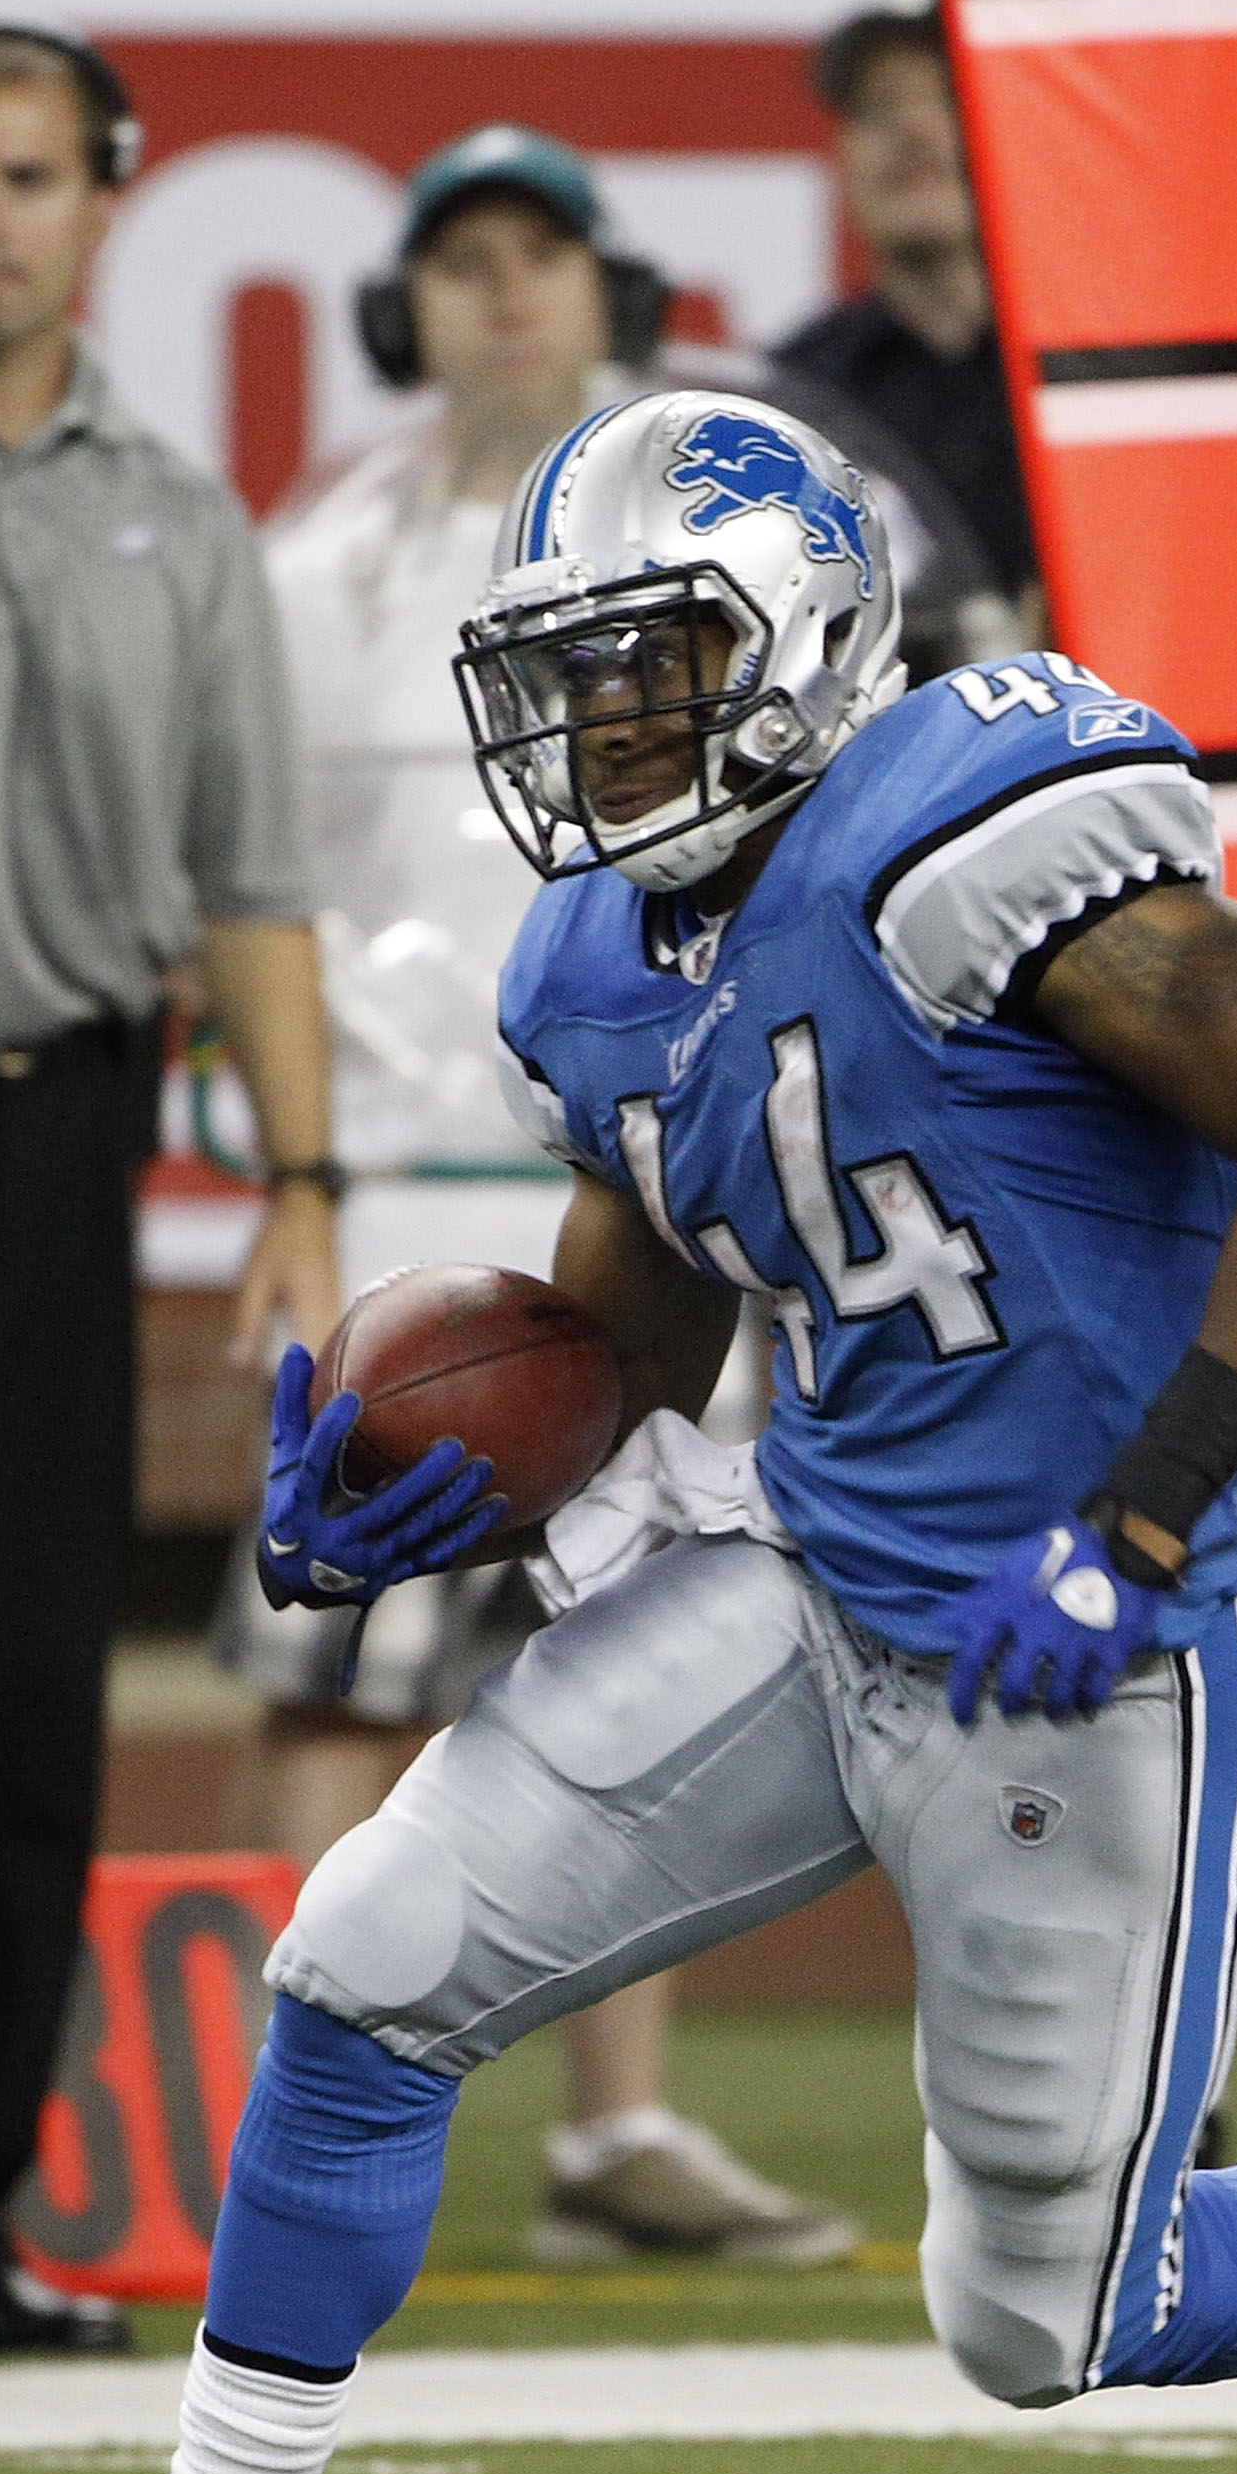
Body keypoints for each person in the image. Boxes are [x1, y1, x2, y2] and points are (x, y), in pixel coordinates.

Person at [0, 390, 1237, 2474]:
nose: (605, 718)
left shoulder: (963, 834)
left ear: (811, 636)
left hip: (1098, 1644)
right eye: (567, 672)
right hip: (820, 1572)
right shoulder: (595, 958)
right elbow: (637, 1328)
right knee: (361, 1964)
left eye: (654, 655)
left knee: (1043, 2316)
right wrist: (436, 1500)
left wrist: (1140, 1506)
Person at [214, 125, 868, 2267]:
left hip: (655, 1151)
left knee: (642, 1615)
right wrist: (297, 1176)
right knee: (349, 1651)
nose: (507, 294)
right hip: (405, 1156)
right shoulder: (318, 565)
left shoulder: (727, 545)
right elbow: (253, 887)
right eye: (463, 259)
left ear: (618, 291)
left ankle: (621, 2136)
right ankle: (264, 2100)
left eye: (543, 256)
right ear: (406, 304)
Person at [0, 23, 341, 2354]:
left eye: (25, 177)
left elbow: (250, 875)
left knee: (20, 1703)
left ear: (104, 199)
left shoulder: (175, 505)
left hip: (64, 1138)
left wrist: (305, 1175)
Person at [775, 8, 1038, 624]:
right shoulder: (796, 393)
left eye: (947, 95)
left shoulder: (1098, 370)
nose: (913, 129)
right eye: (876, 107)